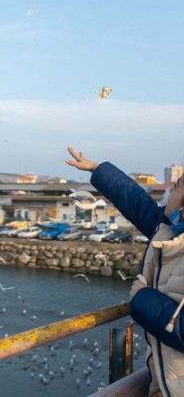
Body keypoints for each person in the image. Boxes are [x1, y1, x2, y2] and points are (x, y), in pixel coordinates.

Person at [65, 146, 184, 397]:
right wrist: (98, 170)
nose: (170, 189)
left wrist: (143, 299)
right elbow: (136, 202)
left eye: (178, 186)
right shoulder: (168, 230)